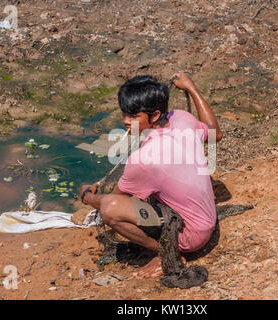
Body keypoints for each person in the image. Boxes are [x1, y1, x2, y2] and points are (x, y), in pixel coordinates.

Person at [79, 72, 223, 278]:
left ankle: (168, 252)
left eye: (134, 116)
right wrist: (191, 88)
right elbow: (215, 133)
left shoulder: (143, 159)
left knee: (109, 210)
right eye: (125, 114)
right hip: (208, 220)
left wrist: (88, 196)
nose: (126, 121)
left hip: (191, 236)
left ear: (154, 116)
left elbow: (116, 200)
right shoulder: (181, 117)